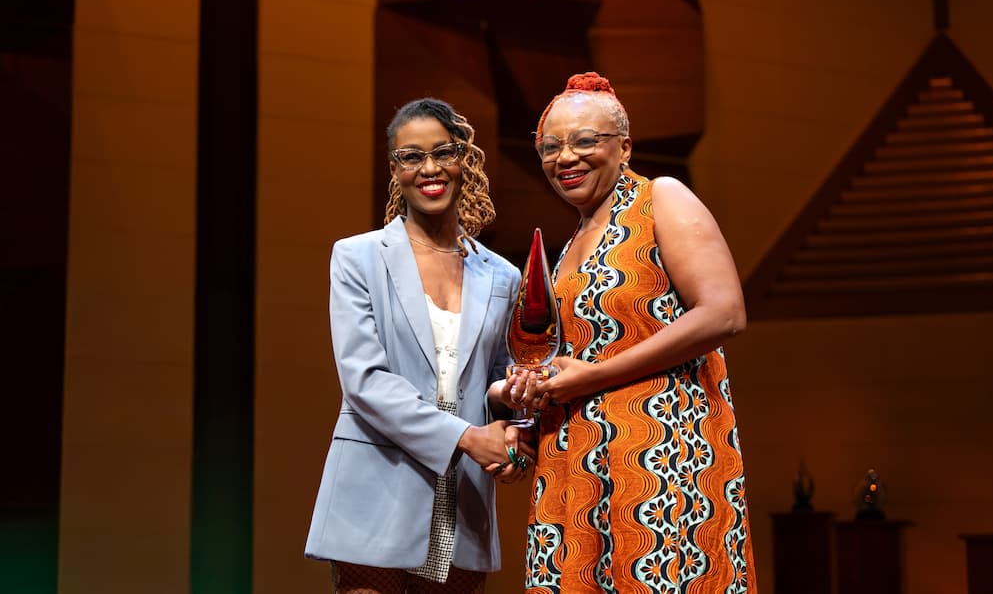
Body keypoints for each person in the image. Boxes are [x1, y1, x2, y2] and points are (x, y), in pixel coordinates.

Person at [503, 72, 758, 592]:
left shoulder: (660, 198)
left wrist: (590, 378)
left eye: (585, 141)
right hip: (578, 468)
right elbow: (573, 359)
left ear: (625, 147)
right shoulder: (571, 242)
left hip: (659, 462)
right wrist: (527, 405)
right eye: (550, 147)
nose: (564, 158)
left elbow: (724, 311)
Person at [305, 98, 532, 594]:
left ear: (463, 160)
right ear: (395, 169)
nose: (429, 168)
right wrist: (468, 438)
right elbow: (365, 382)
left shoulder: (501, 274)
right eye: (411, 156)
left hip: (464, 498)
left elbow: (499, 377)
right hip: (377, 486)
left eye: (443, 152)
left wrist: (515, 430)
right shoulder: (357, 257)